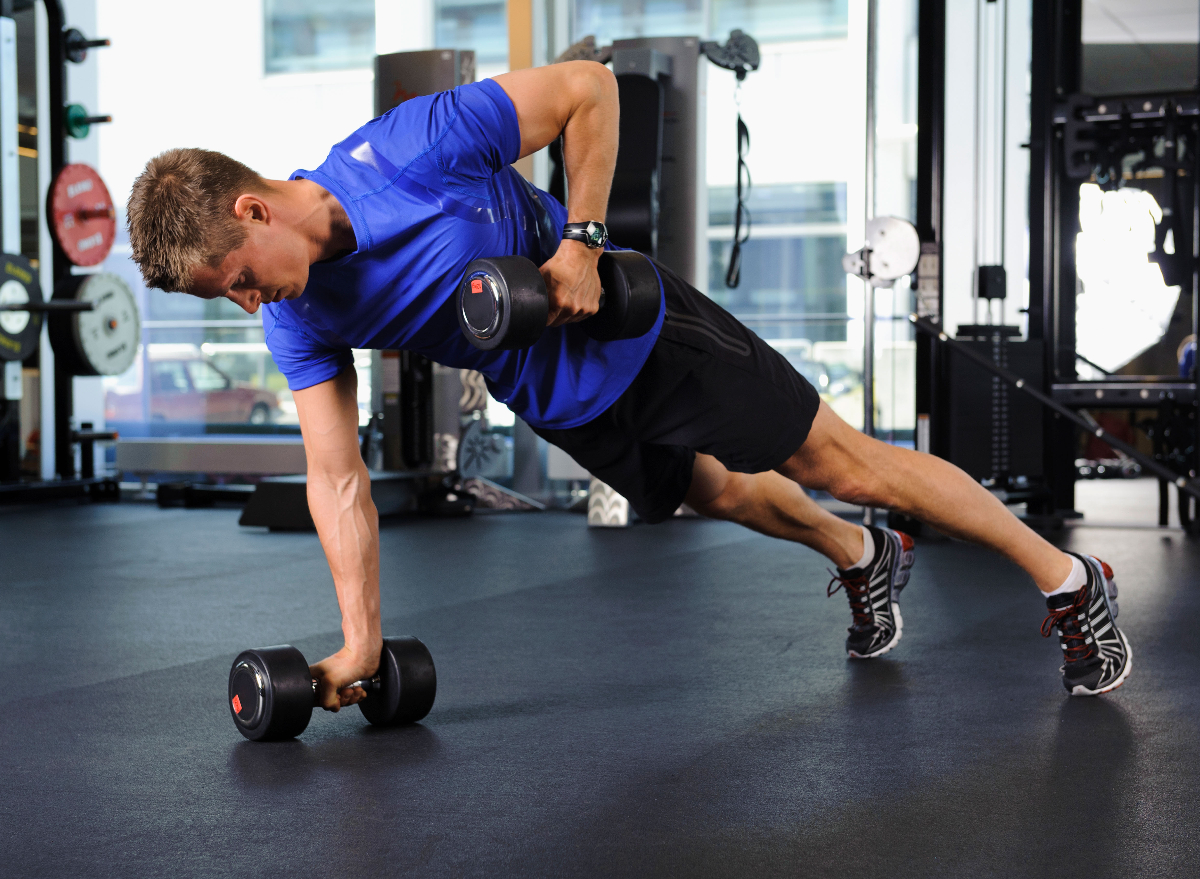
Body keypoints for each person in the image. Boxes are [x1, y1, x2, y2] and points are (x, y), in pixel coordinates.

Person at [126, 61, 1131, 708]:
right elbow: (336, 477)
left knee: (843, 459)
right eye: (234, 303)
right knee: (718, 489)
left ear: (254, 211)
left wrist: (582, 238)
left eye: (242, 284)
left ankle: (1072, 581)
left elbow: (589, 91)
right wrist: (359, 643)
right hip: (553, 388)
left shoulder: (414, 147)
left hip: (632, 325)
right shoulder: (304, 311)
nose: (254, 308)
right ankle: (862, 555)